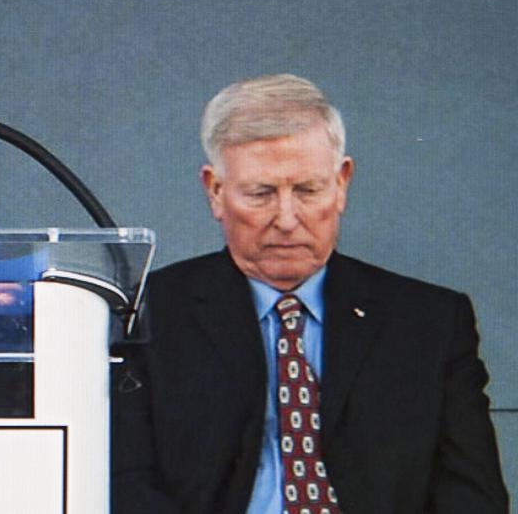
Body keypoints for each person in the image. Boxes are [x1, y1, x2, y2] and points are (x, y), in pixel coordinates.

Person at [111, 74, 508, 514]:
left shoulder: (429, 324)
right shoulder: (149, 315)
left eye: (307, 190)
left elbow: (474, 497)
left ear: (342, 184)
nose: (286, 218)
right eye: (261, 193)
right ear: (216, 191)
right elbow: (124, 486)